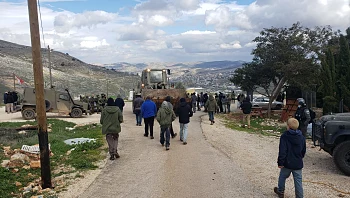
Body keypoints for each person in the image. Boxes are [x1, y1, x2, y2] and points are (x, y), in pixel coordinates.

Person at [274, 118, 306, 198]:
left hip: (287, 163)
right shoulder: (301, 137)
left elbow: (282, 150)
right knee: (298, 181)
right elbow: (303, 150)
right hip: (298, 163)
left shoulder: (285, 136)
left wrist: (280, 162)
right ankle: (299, 196)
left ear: (288, 126)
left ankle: (280, 191)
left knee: (283, 176)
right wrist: (300, 157)